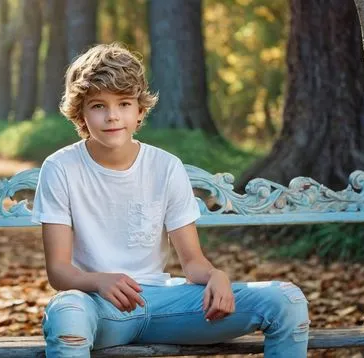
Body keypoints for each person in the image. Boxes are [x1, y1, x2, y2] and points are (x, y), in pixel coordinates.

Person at [31, 42, 310, 357]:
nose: (112, 116)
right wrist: (98, 282)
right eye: (98, 105)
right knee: (66, 310)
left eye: (123, 103)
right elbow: (58, 271)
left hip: (168, 305)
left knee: (287, 300)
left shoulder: (165, 167)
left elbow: (191, 262)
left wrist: (217, 275)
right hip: (98, 308)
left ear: (139, 111)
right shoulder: (60, 168)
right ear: (80, 112)